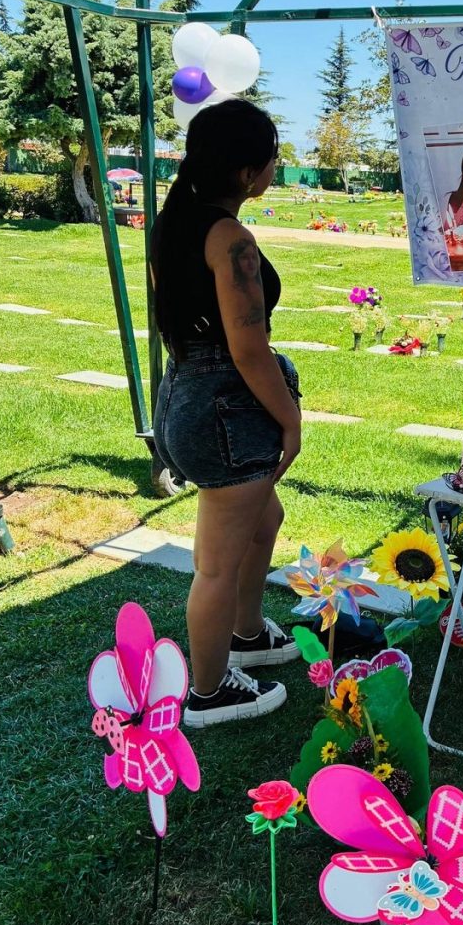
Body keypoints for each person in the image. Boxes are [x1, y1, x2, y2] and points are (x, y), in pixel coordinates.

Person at [151, 99, 301, 728]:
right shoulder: (229, 237)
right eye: (270, 157)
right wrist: (290, 419)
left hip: (185, 391)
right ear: (246, 172)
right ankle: (208, 692)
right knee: (214, 564)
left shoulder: (172, 220)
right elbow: (247, 347)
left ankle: (246, 633)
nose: (275, 166)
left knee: (265, 514)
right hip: (222, 406)